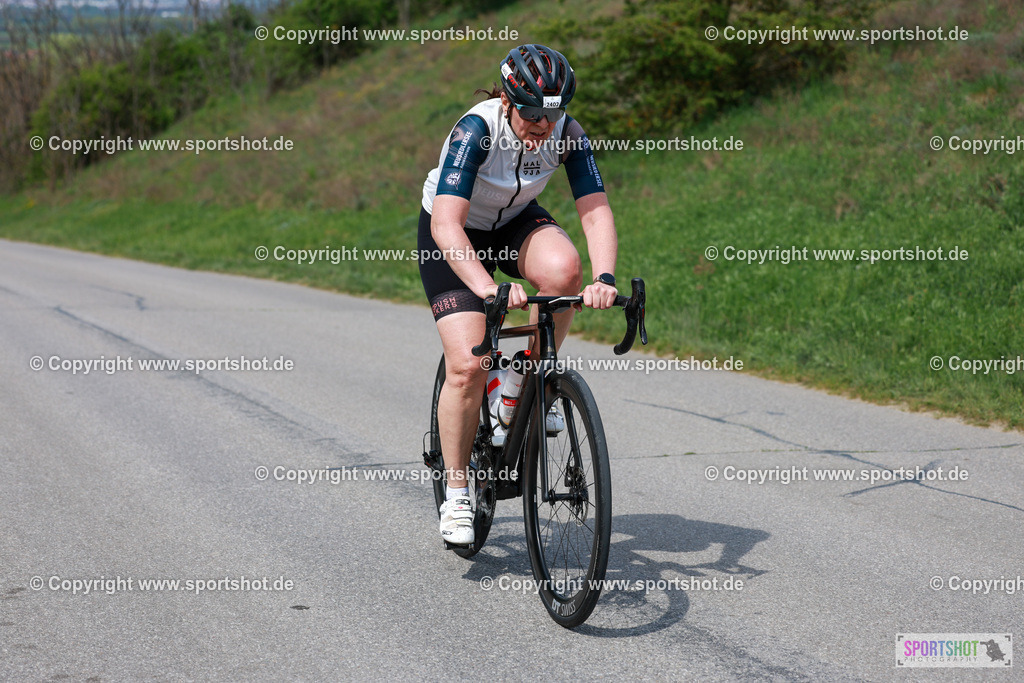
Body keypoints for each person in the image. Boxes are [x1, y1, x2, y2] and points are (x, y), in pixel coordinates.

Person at [419, 44, 619, 545]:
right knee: (467, 364)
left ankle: (525, 378)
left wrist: (606, 279)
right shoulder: (476, 130)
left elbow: (594, 209)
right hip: (454, 230)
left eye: (552, 115)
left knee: (565, 272)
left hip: (512, 222)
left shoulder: (567, 133)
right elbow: (446, 223)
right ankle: (458, 492)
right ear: (508, 101)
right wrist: (488, 288)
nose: (542, 126)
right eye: (531, 115)